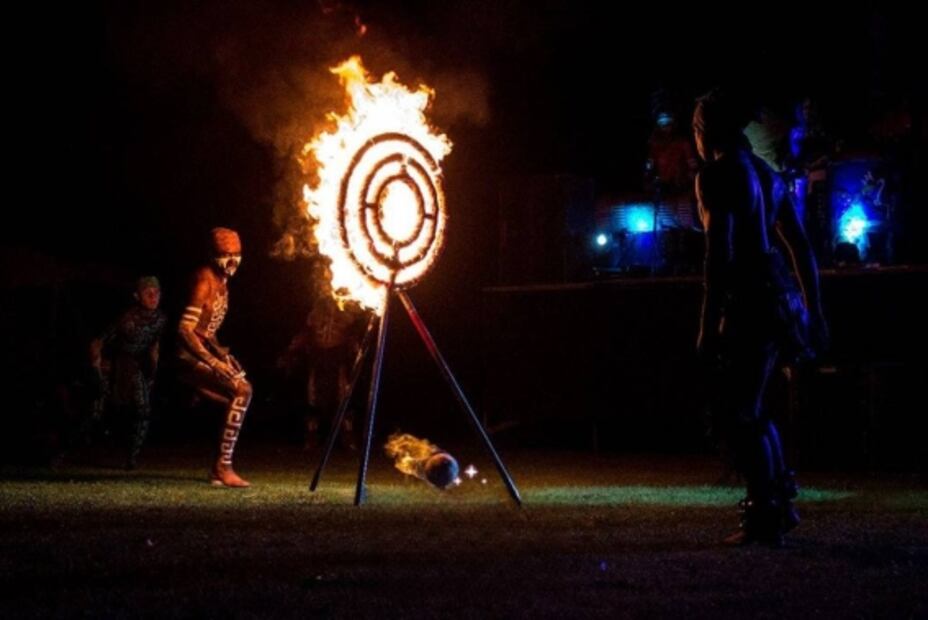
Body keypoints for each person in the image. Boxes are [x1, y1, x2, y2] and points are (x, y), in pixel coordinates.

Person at [693, 90, 828, 545]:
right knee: (751, 407)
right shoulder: (767, 175)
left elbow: (719, 254)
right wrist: (813, 310)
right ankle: (776, 506)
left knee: (738, 412)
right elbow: (802, 247)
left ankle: (766, 515)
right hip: (780, 297)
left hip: (750, 298)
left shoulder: (717, 173)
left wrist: (708, 327)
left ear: (707, 129)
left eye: (695, 126)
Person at [176, 228, 252, 487]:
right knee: (242, 390)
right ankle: (223, 467)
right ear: (212, 256)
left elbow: (205, 329)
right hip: (186, 355)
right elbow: (185, 328)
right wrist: (213, 362)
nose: (232, 261)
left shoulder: (223, 281)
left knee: (238, 396)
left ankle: (218, 468)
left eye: (236, 255)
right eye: (225, 255)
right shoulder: (204, 279)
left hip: (205, 351)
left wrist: (220, 352)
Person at [89, 276, 167, 469]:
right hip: (112, 365)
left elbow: (154, 347)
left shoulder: (161, 319)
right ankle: (63, 451)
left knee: (143, 410)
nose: (153, 296)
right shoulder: (126, 318)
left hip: (134, 366)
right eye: (147, 292)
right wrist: (96, 370)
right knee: (94, 414)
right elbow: (98, 342)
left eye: (156, 292)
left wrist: (152, 374)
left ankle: (131, 459)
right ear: (136, 296)